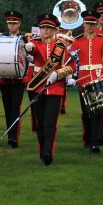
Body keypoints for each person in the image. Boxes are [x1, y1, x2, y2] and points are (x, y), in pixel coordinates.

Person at [24, 14, 71, 165]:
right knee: (39, 122)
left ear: (54, 30)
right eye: (43, 27)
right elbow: (27, 52)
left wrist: (58, 73)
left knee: (50, 122)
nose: (44, 30)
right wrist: (27, 49)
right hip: (37, 87)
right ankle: (42, 148)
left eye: (48, 28)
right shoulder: (34, 43)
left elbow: (71, 66)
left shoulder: (61, 46)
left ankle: (48, 151)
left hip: (55, 88)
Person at [67, 10, 103, 153]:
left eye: (92, 24)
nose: (89, 26)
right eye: (87, 23)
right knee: (86, 113)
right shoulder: (77, 41)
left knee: (97, 112)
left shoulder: (101, 39)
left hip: (98, 78)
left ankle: (94, 142)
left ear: (95, 25)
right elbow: (70, 62)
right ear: (83, 24)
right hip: (83, 81)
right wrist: (70, 78)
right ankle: (87, 137)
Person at [0, 10, 27, 148]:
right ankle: (10, 133)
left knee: (15, 107)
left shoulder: (25, 38)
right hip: (4, 78)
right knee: (7, 108)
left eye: (14, 23)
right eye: (9, 23)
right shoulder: (2, 37)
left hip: (19, 80)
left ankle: (13, 137)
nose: (11, 26)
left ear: (19, 23)